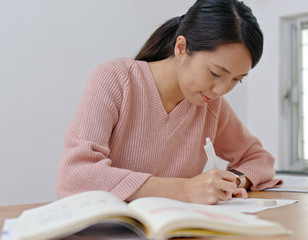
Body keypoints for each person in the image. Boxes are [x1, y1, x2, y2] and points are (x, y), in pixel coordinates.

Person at [56, 0, 282, 205]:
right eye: (215, 73)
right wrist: (185, 189)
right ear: (181, 48)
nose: (221, 90)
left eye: (236, 80)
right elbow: (76, 175)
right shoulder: (116, 79)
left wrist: (233, 181)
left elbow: (259, 159)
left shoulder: (211, 106)